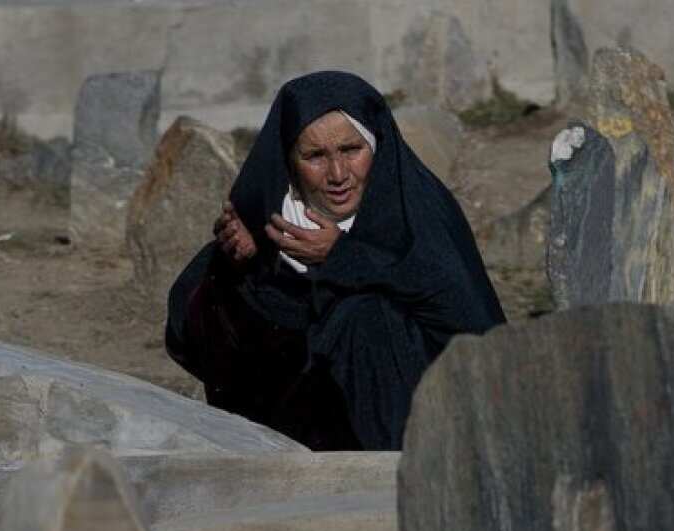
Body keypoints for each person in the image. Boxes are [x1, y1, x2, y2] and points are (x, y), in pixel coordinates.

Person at [165, 71, 506, 451]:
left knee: (364, 317)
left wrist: (344, 257)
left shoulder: (416, 211)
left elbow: (476, 328)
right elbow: (186, 332)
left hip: (425, 423)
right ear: (289, 161)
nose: (338, 174)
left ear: (376, 146)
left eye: (351, 150)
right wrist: (237, 268)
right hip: (300, 436)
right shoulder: (269, 221)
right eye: (315, 156)